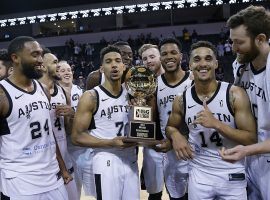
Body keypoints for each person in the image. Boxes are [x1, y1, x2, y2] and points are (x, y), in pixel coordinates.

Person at [166, 41, 257, 200]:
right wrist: (176, 135)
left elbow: (251, 138)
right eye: (197, 59)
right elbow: (170, 127)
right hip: (199, 174)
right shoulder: (181, 99)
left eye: (208, 59)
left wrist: (217, 124)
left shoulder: (234, 94)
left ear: (216, 63)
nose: (202, 64)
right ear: (190, 65)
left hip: (232, 172)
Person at [0, 36, 68, 199]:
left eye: (41, 54)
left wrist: (63, 167)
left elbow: (49, 133)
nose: (40, 60)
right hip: (20, 182)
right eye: (34, 55)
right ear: (15, 58)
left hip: (53, 177)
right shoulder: (2, 94)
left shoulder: (43, 89)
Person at [72, 45, 139, 200]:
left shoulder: (133, 96)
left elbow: (141, 129)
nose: (114, 65)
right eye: (108, 62)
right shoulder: (91, 96)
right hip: (105, 158)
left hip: (131, 158)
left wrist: (138, 112)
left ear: (124, 66)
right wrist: (111, 143)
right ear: (102, 68)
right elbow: (77, 137)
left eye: (117, 61)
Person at [219, 5, 270, 200]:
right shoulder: (241, 64)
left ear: (261, 39)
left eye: (239, 42)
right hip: (251, 156)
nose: (233, 48)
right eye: (231, 41)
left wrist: (247, 149)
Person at [39, 49, 78, 200]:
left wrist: (71, 114)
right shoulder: (35, 92)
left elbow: (68, 130)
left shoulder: (63, 91)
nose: (59, 66)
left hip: (65, 156)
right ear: (43, 66)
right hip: (46, 162)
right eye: (55, 62)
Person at [58, 60, 96, 198]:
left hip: (83, 148)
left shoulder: (81, 92)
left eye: (68, 70)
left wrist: (73, 114)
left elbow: (90, 119)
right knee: (73, 192)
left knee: (93, 191)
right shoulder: (52, 93)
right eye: (62, 70)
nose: (67, 73)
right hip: (63, 149)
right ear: (56, 74)